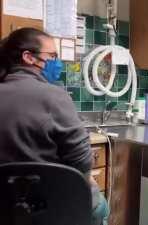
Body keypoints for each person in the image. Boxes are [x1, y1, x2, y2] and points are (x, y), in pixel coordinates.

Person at [0, 28, 109, 225]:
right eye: (52, 56)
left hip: (4, 209)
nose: (57, 63)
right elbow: (82, 160)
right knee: (101, 207)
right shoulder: (54, 96)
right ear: (29, 57)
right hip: (53, 207)